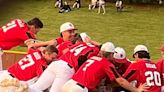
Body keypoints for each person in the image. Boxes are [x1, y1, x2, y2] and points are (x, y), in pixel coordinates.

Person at [62, 42, 149, 92]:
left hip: (68, 84)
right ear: (111, 54)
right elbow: (121, 81)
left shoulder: (93, 58)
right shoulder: (106, 63)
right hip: (78, 88)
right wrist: (137, 90)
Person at [28, 37, 100, 92]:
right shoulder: (96, 50)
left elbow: (65, 51)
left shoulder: (80, 44)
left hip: (57, 63)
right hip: (66, 69)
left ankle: (20, 87)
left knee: (36, 87)